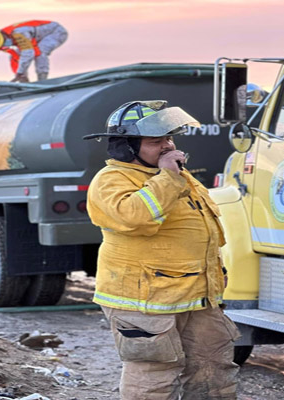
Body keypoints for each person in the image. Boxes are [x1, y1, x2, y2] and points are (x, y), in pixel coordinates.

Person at [83, 100, 240, 399]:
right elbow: (134, 216)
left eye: (169, 138)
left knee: (213, 369)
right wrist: (168, 177)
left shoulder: (174, 175)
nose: (168, 147)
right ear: (127, 147)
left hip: (196, 296)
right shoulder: (111, 180)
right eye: (156, 141)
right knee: (153, 376)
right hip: (143, 302)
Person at [0, 20, 68, 88]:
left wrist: (20, 72)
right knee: (14, 57)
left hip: (56, 33)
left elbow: (28, 53)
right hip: (36, 38)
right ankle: (24, 82)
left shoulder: (19, 33)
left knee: (41, 51)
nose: (3, 45)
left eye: (3, 42)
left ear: (3, 35)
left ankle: (42, 80)